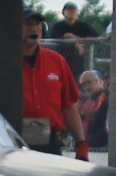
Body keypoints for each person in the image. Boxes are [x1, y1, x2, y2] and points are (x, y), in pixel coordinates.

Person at [21, 8, 87, 159]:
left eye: (37, 24)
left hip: (48, 139)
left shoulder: (56, 61)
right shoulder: (4, 62)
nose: (34, 28)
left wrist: (81, 143)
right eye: (28, 24)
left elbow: (68, 106)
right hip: (12, 139)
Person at [48, 2, 100, 82]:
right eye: (68, 10)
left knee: (78, 80)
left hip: (79, 60)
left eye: (73, 10)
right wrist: (65, 37)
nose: (71, 12)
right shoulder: (58, 25)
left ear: (77, 13)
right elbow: (53, 36)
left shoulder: (83, 25)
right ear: (63, 13)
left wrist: (78, 39)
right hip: (62, 57)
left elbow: (96, 36)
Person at [77, 70, 109, 149]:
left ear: (99, 81)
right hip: (88, 144)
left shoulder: (105, 96)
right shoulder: (86, 99)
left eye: (89, 82)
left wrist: (81, 110)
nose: (86, 86)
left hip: (102, 145)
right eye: (84, 84)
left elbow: (97, 117)